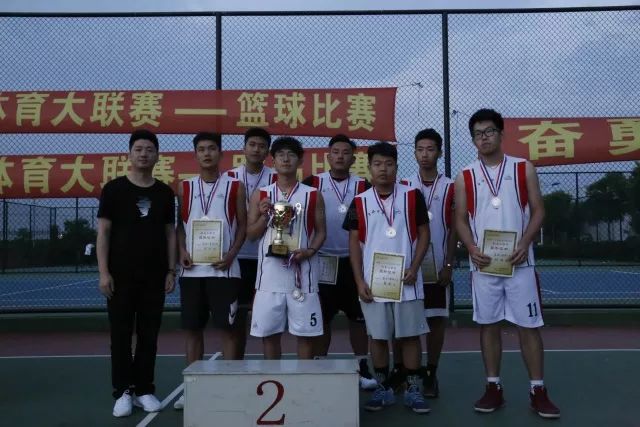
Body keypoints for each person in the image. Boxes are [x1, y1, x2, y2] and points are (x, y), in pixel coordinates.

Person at [454, 109, 560, 418]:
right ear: (473, 140)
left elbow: (539, 211)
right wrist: (471, 247)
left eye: (489, 131)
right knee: (488, 326)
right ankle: (493, 387)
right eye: (478, 134)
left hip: (520, 264)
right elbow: (460, 219)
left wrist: (525, 243)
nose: (483, 138)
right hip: (484, 265)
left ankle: (538, 390)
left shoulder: (523, 168)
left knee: (529, 326)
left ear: (501, 134)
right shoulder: (465, 176)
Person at [343, 142, 431, 414]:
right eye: (378, 164)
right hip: (374, 283)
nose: (383, 169)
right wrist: (359, 281)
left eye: (389, 164)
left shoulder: (413, 196)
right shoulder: (359, 201)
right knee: (378, 337)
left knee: (411, 336)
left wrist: (415, 267)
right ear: (369, 168)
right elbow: (354, 245)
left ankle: (413, 389)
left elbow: (424, 234)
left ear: (396, 167)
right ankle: (383, 388)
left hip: (407, 280)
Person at [97, 129, 176, 418]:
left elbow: (170, 234)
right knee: (120, 335)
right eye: (138, 149)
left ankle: (144, 389)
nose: (144, 154)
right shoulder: (114, 189)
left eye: (149, 150)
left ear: (157, 156)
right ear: (129, 154)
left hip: (154, 276)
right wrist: (103, 272)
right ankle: (122, 392)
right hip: (119, 276)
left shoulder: (164, 193)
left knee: (148, 334)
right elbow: (103, 232)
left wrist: (171, 270)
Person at [173, 132, 247, 410]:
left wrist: (232, 254)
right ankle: (193, 388)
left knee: (228, 330)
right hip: (192, 272)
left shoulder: (235, 186)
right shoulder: (184, 187)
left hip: (224, 270)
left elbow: (242, 225)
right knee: (193, 330)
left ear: (221, 154)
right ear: (195, 154)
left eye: (212, 148)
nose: (207, 153)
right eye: (202, 149)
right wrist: (181, 251)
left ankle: (228, 388)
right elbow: (181, 225)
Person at [302, 134, 377, 390]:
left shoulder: (364, 185)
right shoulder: (312, 183)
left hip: (354, 263)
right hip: (322, 261)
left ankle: (362, 366)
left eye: (346, 153)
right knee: (322, 319)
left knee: (358, 318)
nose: (340, 156)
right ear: (328, 156)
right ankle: (320, 365)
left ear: (353, 159)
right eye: (336, 152)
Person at [247, 136, 326, 359]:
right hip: (269, 278)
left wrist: (309, 251)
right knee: (269, 335)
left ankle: (304, 380)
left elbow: (321, 232)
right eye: (280, 154)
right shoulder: (261, 194)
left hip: (302, 277)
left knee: (306, 336)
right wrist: (264, 216)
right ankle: (274, 377)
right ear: (272, 160)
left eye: (291, 154)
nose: (285, 159)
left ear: (300, 161)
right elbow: (251, 235)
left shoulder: (312, 194)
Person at [398, 129, 456, 398]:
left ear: (439, 153)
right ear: (414, 153)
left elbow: (455, 229)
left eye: (430, 149)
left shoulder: (451, 186)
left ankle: (431, 372)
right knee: (404, 321)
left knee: (436, 320)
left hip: (438, 264)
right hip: (409, 266)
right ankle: (404, 371)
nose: (424, 154)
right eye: (420, 149)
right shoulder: (404, 185)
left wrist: (449, 264)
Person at [225, 128, 276, 358]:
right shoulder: (229, 177)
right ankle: (235, 366)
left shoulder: (276, 178)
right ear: (244, 148)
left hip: (268, 258)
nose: (256, 149)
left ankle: (270, 369)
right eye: (252, 144)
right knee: (236, 316)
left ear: (268, 151)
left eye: (262, 146)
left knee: (267, 317)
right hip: (237, 256)